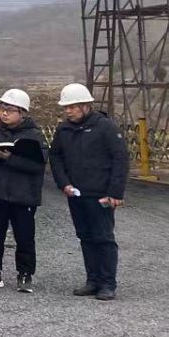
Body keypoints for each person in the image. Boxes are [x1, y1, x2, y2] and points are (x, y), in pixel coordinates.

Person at [49, 82, 128, 300]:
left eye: (72, 107)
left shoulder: (106, 127)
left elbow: (120, 159)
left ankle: (108, 284)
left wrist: (115, 192)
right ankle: (92, 280)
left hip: (101, 194)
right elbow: (55, 157)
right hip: (76, 194)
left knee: (103, 237)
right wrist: (63, 183)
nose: (68, 111)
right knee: (85, 236)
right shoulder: (64, 129)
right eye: (65, 107)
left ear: (85, 105)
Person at [0, 87, 47, 293]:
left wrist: (9, 158)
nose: (5, 113)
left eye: (10, 110)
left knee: (24, 236)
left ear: (22, 112)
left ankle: (25, 274)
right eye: (3, 109)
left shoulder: (35, 136)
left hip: (24, 195)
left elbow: (38, 165)